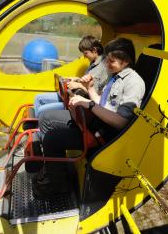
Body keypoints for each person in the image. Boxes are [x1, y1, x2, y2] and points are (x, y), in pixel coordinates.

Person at [32, 37, 145, 197]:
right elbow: (104, 104)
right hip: (94, 122)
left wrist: (88, 104)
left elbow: (121, 122)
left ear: (125, 61)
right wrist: (90, 89)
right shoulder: (116, 76)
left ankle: (58, 185)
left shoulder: (134, 83)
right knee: (47, 116)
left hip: (104, 136)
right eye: (106, 60)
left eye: (111, 61)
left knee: (52, 138)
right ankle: (55, 170)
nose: (106, 64)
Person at [33, 35, 109, 117]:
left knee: (41, 110)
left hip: (81, 103)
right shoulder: (94, 63)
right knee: (38, 98)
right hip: (72, 96)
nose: (84, 56)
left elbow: (95, 91)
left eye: (85, 53)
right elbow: (88, 81)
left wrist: (77, 85)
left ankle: (40, 127)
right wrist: (76, 79)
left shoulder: (102, 67)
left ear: (94, 50)